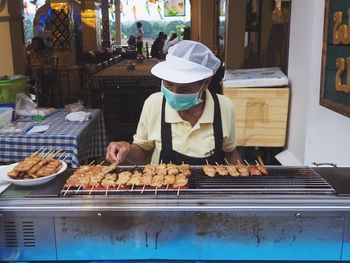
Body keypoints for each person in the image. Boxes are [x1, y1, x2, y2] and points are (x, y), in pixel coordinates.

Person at [106, 40, 241, 165]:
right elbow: (142, 151)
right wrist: (127, 148)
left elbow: (230, 152)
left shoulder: (224, 107)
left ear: (206, 83)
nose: (174, 93)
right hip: (163, 189)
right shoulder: (154, 104)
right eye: (168, 84)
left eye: (184, 88)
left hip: (208, 188)